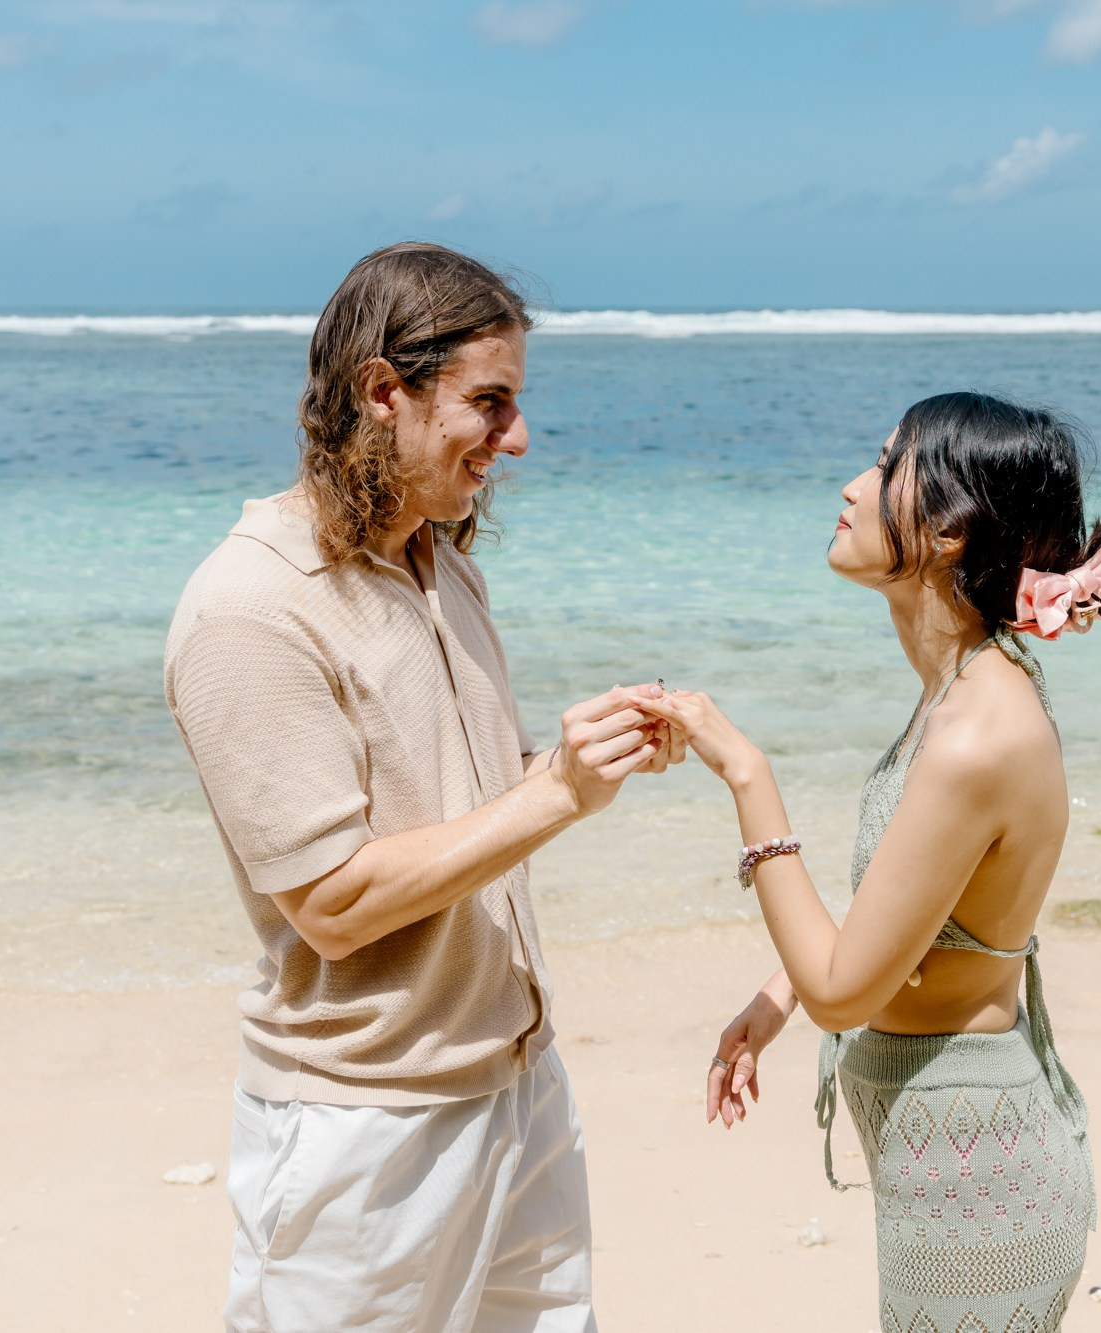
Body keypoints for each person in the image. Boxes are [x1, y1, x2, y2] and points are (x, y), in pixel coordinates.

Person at [163, 242, 675, 1332]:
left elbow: (455, 809)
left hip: (518, 1085)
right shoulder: (249, 607)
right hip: (366, 1135)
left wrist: (577, 755)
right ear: (381, 392)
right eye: (488, 404)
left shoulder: (436, 562)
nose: (517, 438)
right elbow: (332, 905)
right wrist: (556, 796)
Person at [635, 392, 1101, 1331]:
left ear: (948, 531)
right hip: (950, 1166)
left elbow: (846, 996)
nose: (851, 486)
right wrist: (778, 991)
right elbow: (910, 913)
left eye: (883, 467)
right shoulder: (960, 691)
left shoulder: (975, 734)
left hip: (978, 1184)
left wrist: (746, 773)